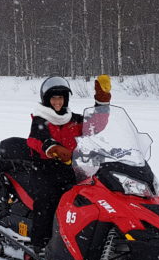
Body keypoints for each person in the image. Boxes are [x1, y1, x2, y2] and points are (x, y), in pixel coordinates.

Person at [24, 75, 112, 250]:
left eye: (61, 97)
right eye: (54, 98)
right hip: (44, 169)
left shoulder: (73, 119)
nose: (57, 102)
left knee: (96, 195)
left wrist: (102, 103)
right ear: (47, 100)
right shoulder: (40, 120)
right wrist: (52, 147)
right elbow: (37, 139)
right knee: (49, 199)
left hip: (72, 168)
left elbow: (94, 126)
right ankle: (40, 244)